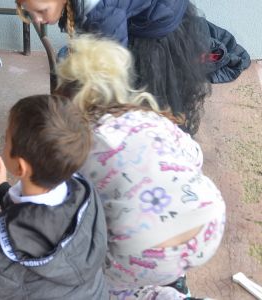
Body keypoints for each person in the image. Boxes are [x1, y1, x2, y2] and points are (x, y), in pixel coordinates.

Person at [55, 35, 226, 299]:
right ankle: (176, 281)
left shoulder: (82, 145)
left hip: (143, 252)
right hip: (208, 222)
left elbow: (65, 206)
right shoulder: (150, 117)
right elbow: (195, 157)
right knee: (165, 206)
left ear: (69, 100)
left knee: (103, 285)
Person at [0, 94, 108, 299]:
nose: (4, 140)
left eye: (6, 138)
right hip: (91, 293)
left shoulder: (2, 240)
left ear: (20, 166)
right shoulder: (84, 191)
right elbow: (36, 217)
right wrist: (2, 190)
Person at [15, 0, 214, 135]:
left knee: (142, 96)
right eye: (27, 11)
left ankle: (150, 143)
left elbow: (111, 72)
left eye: (41, 10)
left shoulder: (102, 13)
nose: (36, 19)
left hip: (156, 23)